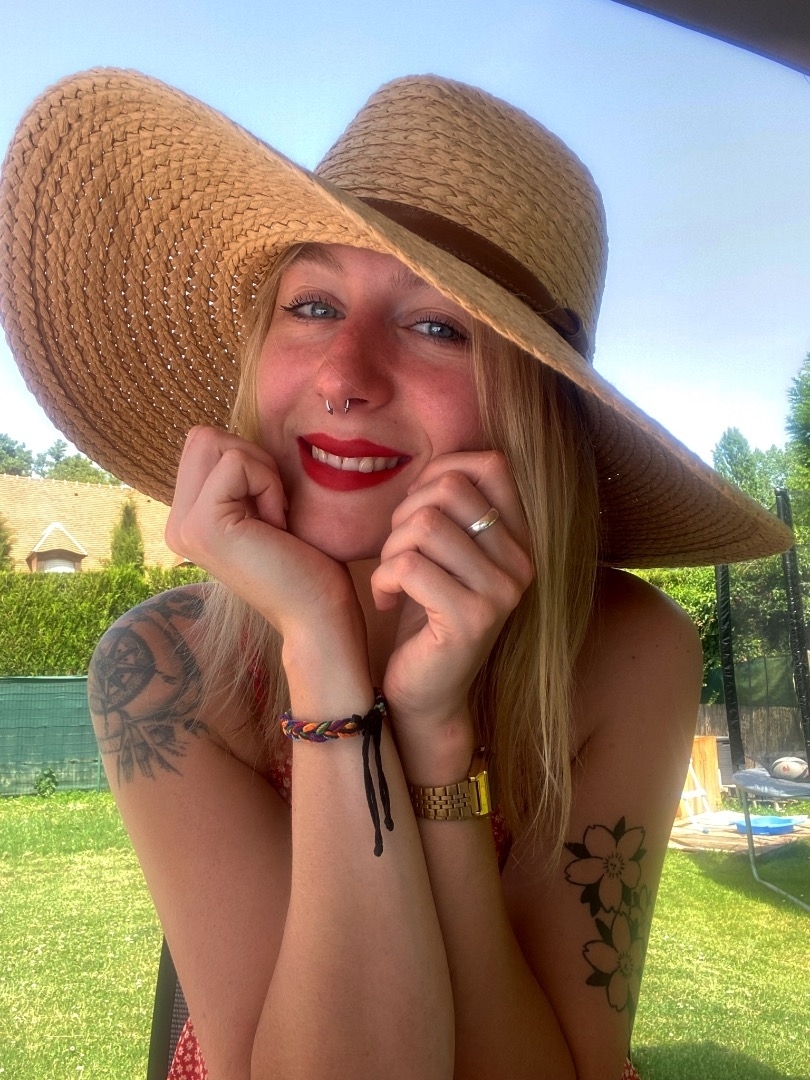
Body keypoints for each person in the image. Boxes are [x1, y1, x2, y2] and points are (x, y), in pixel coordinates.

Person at [0, 70, 791, 1080]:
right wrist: (323, 649)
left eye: (437, 326)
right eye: (313, 304)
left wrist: (433, 735)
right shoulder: (161, 668)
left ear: (533, 409)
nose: (344, 375)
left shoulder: (631, 652)